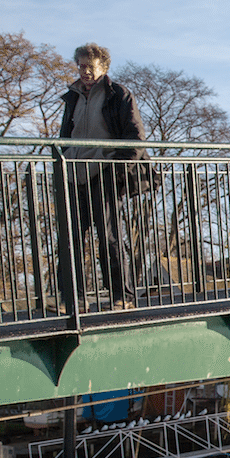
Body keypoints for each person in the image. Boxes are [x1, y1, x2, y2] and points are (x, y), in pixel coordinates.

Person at [57, 42, 152, 311]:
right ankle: (72, 299)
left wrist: (120, 170)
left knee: (108, 236)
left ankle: (123, 296)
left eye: (91, 66)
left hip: (104, 170)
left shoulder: (117, 94)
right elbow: (67, 136)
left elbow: (135, 138)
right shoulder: (73, 96)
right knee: (70, 237)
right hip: (75, 173)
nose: (85, 71)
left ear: (104, 67)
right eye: (81, 66)